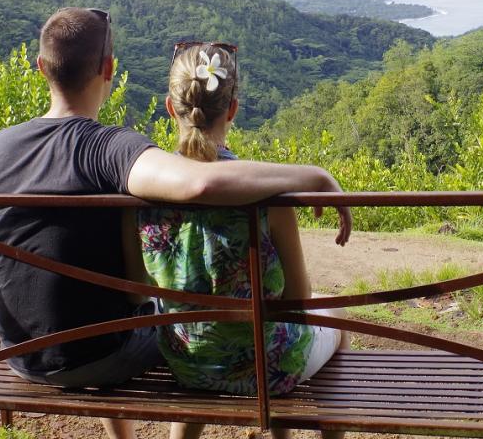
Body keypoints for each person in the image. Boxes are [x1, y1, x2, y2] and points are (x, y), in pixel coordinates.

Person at [0, 8, 351, 439]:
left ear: (41, 67)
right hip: (101, 351)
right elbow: (198, 183)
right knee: (326, 317)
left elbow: (138, 279)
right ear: (109, 69)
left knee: (179, 321)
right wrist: (314, 174)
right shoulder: (110, 151)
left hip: (19, 352)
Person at [136, 42, 349, 439]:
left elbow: (139, 289)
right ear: (232, 109)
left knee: (206, 332)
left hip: (186, 364)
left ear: (170, 107)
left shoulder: (144, 191)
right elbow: (296, 299)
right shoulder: (269, 196)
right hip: (267, 371)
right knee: (332, 319)